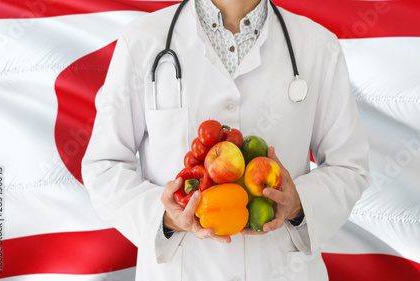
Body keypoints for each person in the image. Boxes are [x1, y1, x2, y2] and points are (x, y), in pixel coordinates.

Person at [82, 0, 372, 280]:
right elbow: (104, 166)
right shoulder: (142, 41)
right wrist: (165, 217)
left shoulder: (318, 46)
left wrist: (299, 204)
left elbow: (349, 165)